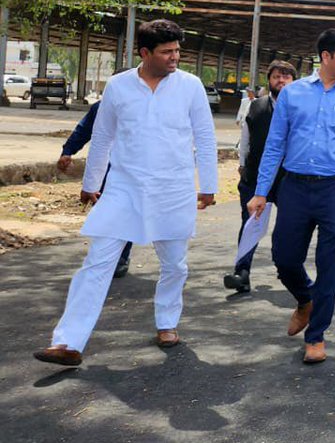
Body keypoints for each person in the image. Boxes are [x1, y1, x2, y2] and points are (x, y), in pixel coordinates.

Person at [35, 20, 217, 366]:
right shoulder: (118, 86)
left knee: (174, 265)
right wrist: (90, 183)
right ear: (144, 52)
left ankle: (167, 322)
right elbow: (103, 135)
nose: (175, 57)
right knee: (96, 263)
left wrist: (208, 185)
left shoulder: (190, 87)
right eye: (167, 52)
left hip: (173, 189)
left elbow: (205, 137)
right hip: (124, 188)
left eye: (178, 50)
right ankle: (68, 342)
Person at [248, 28, 335, 365]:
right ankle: (305, 298)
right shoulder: (293, 94)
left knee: (329, 263)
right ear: (326, 56)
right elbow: (274, 145)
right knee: (284, 257)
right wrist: (261, 192)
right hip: (296, 186)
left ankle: (316, 336)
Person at [224, 60, 297, 293]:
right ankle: (241, 272)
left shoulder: (301, 107)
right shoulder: (255, 107)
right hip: (256, 176)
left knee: (288, 227)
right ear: (269, 80)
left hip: (290, 178)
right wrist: (242, 164)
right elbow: (245, 139)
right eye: (277, 76)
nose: (281, 80)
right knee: (250, 223)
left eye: (287, 76)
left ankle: (287, 271)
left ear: (294, 81)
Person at [56, 87, 134, 279]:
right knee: (108, 213)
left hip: (135, 172)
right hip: (105, 172)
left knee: (129, 214)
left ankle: (121, 257)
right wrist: (68, 151)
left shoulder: (147, 109)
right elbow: (83, 130)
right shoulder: (100, 108)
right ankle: (109, 255)